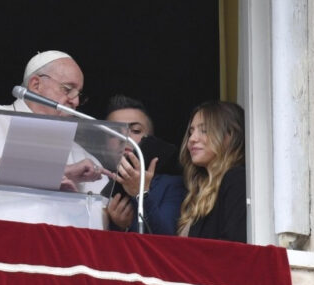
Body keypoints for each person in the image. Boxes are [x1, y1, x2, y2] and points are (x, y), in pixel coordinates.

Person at [0, 50, 110, 217]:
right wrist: (63, 172)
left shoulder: (80, 153)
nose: (76, 101)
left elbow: (97, 213)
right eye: (67, 89)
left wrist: (117, 215)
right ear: (36, 84)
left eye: (79, 94)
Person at [105, 95, 185, 235]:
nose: (125, 138)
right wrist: (118, 226)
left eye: (135, 131)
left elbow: (167, 239)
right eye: (115, 132)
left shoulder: (172, 185)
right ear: (104, 142)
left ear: (151, 138)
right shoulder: (92, 181)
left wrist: (141, 194)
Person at [178, 101, 246, 243]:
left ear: (230, 135)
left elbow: (232, 247)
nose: (192, 139)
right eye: (191, 132)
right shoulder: (199, 191)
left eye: (204, 130)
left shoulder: (237, 179)